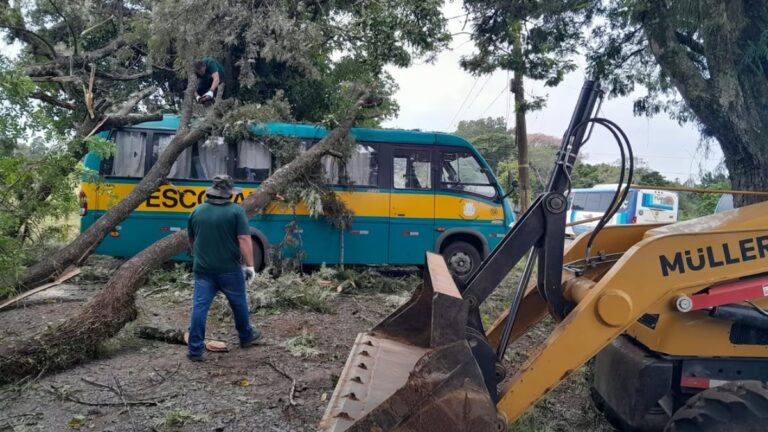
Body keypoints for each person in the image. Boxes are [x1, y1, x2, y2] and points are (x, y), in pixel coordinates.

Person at [186, 175, 260, 361]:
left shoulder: (197, 211)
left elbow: (192, 240)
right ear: (229, 194)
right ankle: (246, 336)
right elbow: (244, 239)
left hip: (203, 270)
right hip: (230, 270)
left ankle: (195, 350)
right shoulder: (236, 212)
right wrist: (250, 266)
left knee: (200, 307)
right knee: (239, 303)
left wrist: (199, 257)